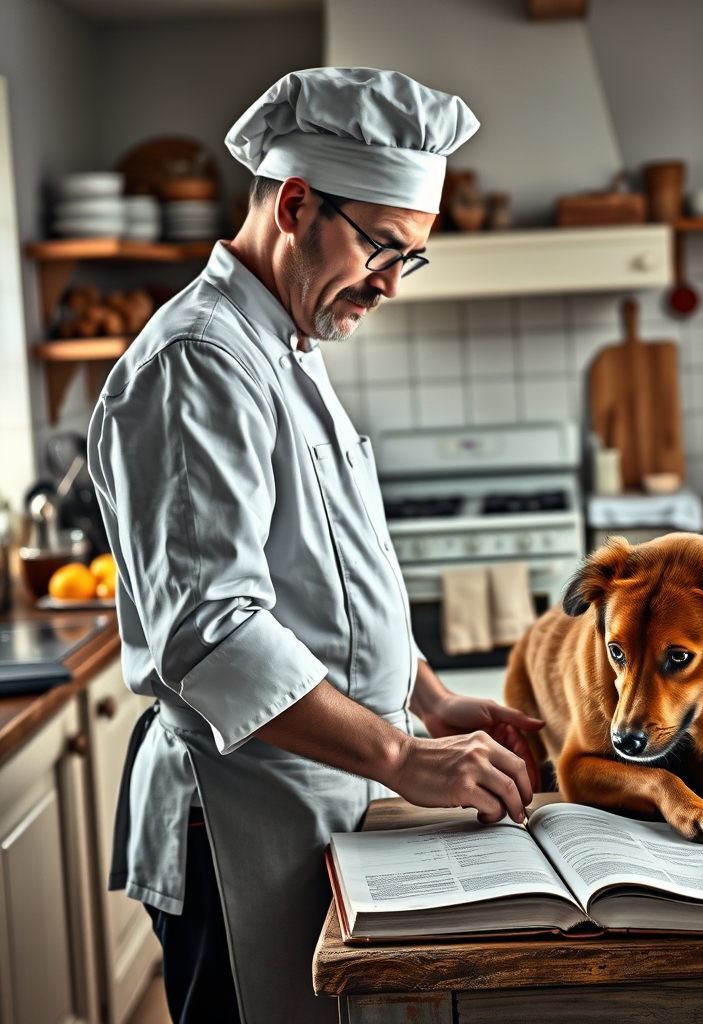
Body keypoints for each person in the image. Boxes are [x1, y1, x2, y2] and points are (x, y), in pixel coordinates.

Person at [88, 68, 544, 1024]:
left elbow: (330, 573)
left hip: (316, 795)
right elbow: (214, 635)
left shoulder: (284, 343)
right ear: (295, 203)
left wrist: (427, 697)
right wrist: (402, 755)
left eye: (408, 259)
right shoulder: (199, 364)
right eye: (382, 247)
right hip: (240, 813)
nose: (388, 285)